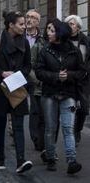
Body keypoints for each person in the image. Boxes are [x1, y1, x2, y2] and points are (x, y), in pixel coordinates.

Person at [0, 11, 33, 173]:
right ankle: (0, 158)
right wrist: (2, 73)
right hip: (0, 88)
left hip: (17, 87)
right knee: (1, 124)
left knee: (18, 125)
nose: (24, 26)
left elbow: (27, 66)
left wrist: (19, 76)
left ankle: (21, 160)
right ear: (11, 25)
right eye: (21, 24)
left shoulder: (24, 43)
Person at [35, 19, 85, 174]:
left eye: (51, 30)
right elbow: (39, 72)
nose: (48, 33)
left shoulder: (74, 51)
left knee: (68, 128)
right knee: (50, 128)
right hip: (49, 94)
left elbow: (82, 71)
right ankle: (50, 157)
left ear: (60, 33)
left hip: (68, 93)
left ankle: (71, 161)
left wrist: (68, 75)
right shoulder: (45, 51)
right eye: (48, 30)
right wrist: (56, 76)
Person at [64, 15, 90, 145]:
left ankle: (77, 129)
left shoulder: (85, 41)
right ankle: (70, 133)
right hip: (68, 79)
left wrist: (86, 71)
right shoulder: (63, 40)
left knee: (84, 109)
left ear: (78, 27)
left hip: (83, 80)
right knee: (70, 107)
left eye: (72, 24)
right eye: (68, 24)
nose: (69, 26)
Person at [25, 9, 46, 153]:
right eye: (27, 17)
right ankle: (15, 132)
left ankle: (37, 138)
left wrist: (37, 78)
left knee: (36, 109)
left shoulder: (42, 39)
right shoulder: (20, 37)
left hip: (35, 79)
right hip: (19, 77)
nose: (29, 20)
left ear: (38, 22)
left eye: (33, 17)